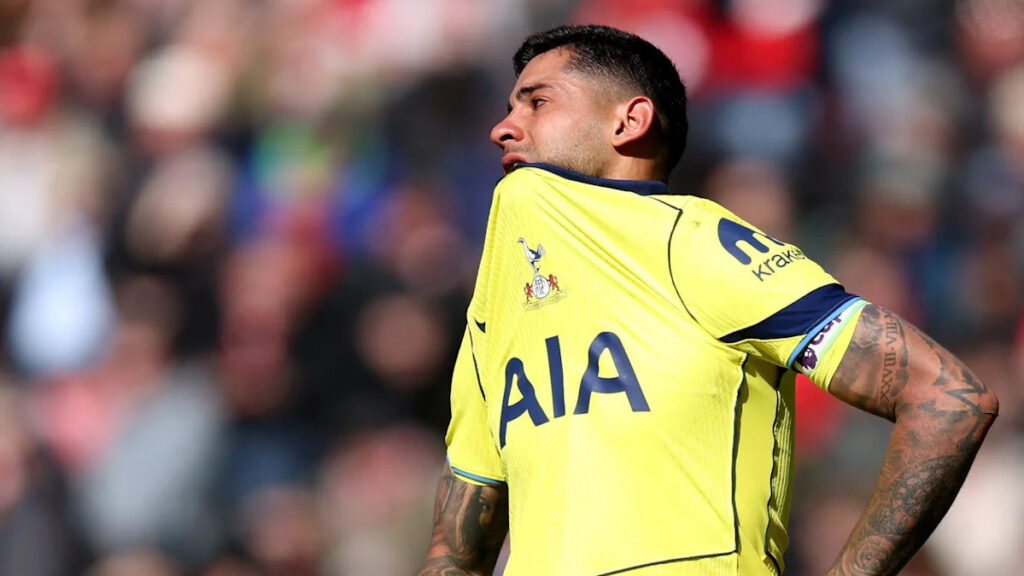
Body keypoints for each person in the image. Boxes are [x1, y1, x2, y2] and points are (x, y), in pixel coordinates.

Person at [417, 24, 998, 576]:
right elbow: (455, 553)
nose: (503, 127)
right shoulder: (494, 309)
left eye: (536, 102)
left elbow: (948, 397)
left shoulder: (690, 242)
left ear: (630, 121)